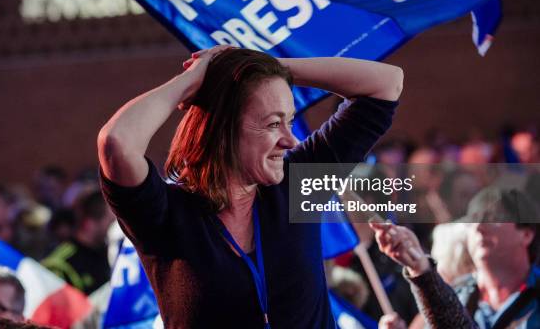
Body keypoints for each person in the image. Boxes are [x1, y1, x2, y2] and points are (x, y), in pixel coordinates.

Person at [98, 45, 403, 328]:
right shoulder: (166, 214)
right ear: (224, 129)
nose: (290, 139)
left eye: (290, 121)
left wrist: (265, 67)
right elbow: (117, 143)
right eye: (273, 124)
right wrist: (195, 80)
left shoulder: (298, 183)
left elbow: (386, 83)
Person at [373, 186, 540, 329]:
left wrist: (423, 270)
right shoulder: (454, 293)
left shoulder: (442, 295)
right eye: (473, 219)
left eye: (494, 218)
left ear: (526, 234)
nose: (479, 227)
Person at [41, 190, 114, 295]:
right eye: (111, 221)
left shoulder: (112, 252)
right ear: (90, 223)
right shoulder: (60, 263)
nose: (117, 227)